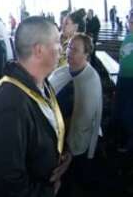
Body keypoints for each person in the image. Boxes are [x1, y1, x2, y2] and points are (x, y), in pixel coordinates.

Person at [0, 16, 72, 196]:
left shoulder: (43, 84)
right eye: (57, 42)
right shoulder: (11, 103)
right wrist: (46, 192)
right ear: (39, 50)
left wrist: (62, 155)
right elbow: (6, 181)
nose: (61, 48)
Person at [49, 33, 102, 196]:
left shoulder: (91, 79)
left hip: (77, 143)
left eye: (75, 49)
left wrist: (76, 151)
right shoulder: (62, 72)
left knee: (73, 181)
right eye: (69, 47)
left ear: (86, 55)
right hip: (56, 138)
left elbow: (89, 119)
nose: (69, 52)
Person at [114, 12, 133, 153]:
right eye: (130, 21)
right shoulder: (127, 37)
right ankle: (123, 140)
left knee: (129, 115)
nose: (130, 23)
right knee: (120, 111)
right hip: (123, 79)